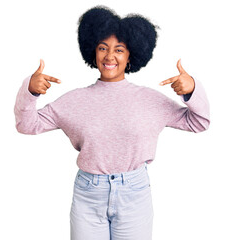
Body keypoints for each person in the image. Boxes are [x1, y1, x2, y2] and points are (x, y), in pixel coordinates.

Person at [14, 5, 210, 240]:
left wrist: (191, 91)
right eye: (102, 48)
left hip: (134, 194)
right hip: (89, 195)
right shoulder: (74, 100)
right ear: (93, 52)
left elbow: (199, 122)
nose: (109, 56)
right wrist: (30, 91)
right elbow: (27, 125)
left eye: (119, 49)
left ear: (130, 56)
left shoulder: (150, 100)